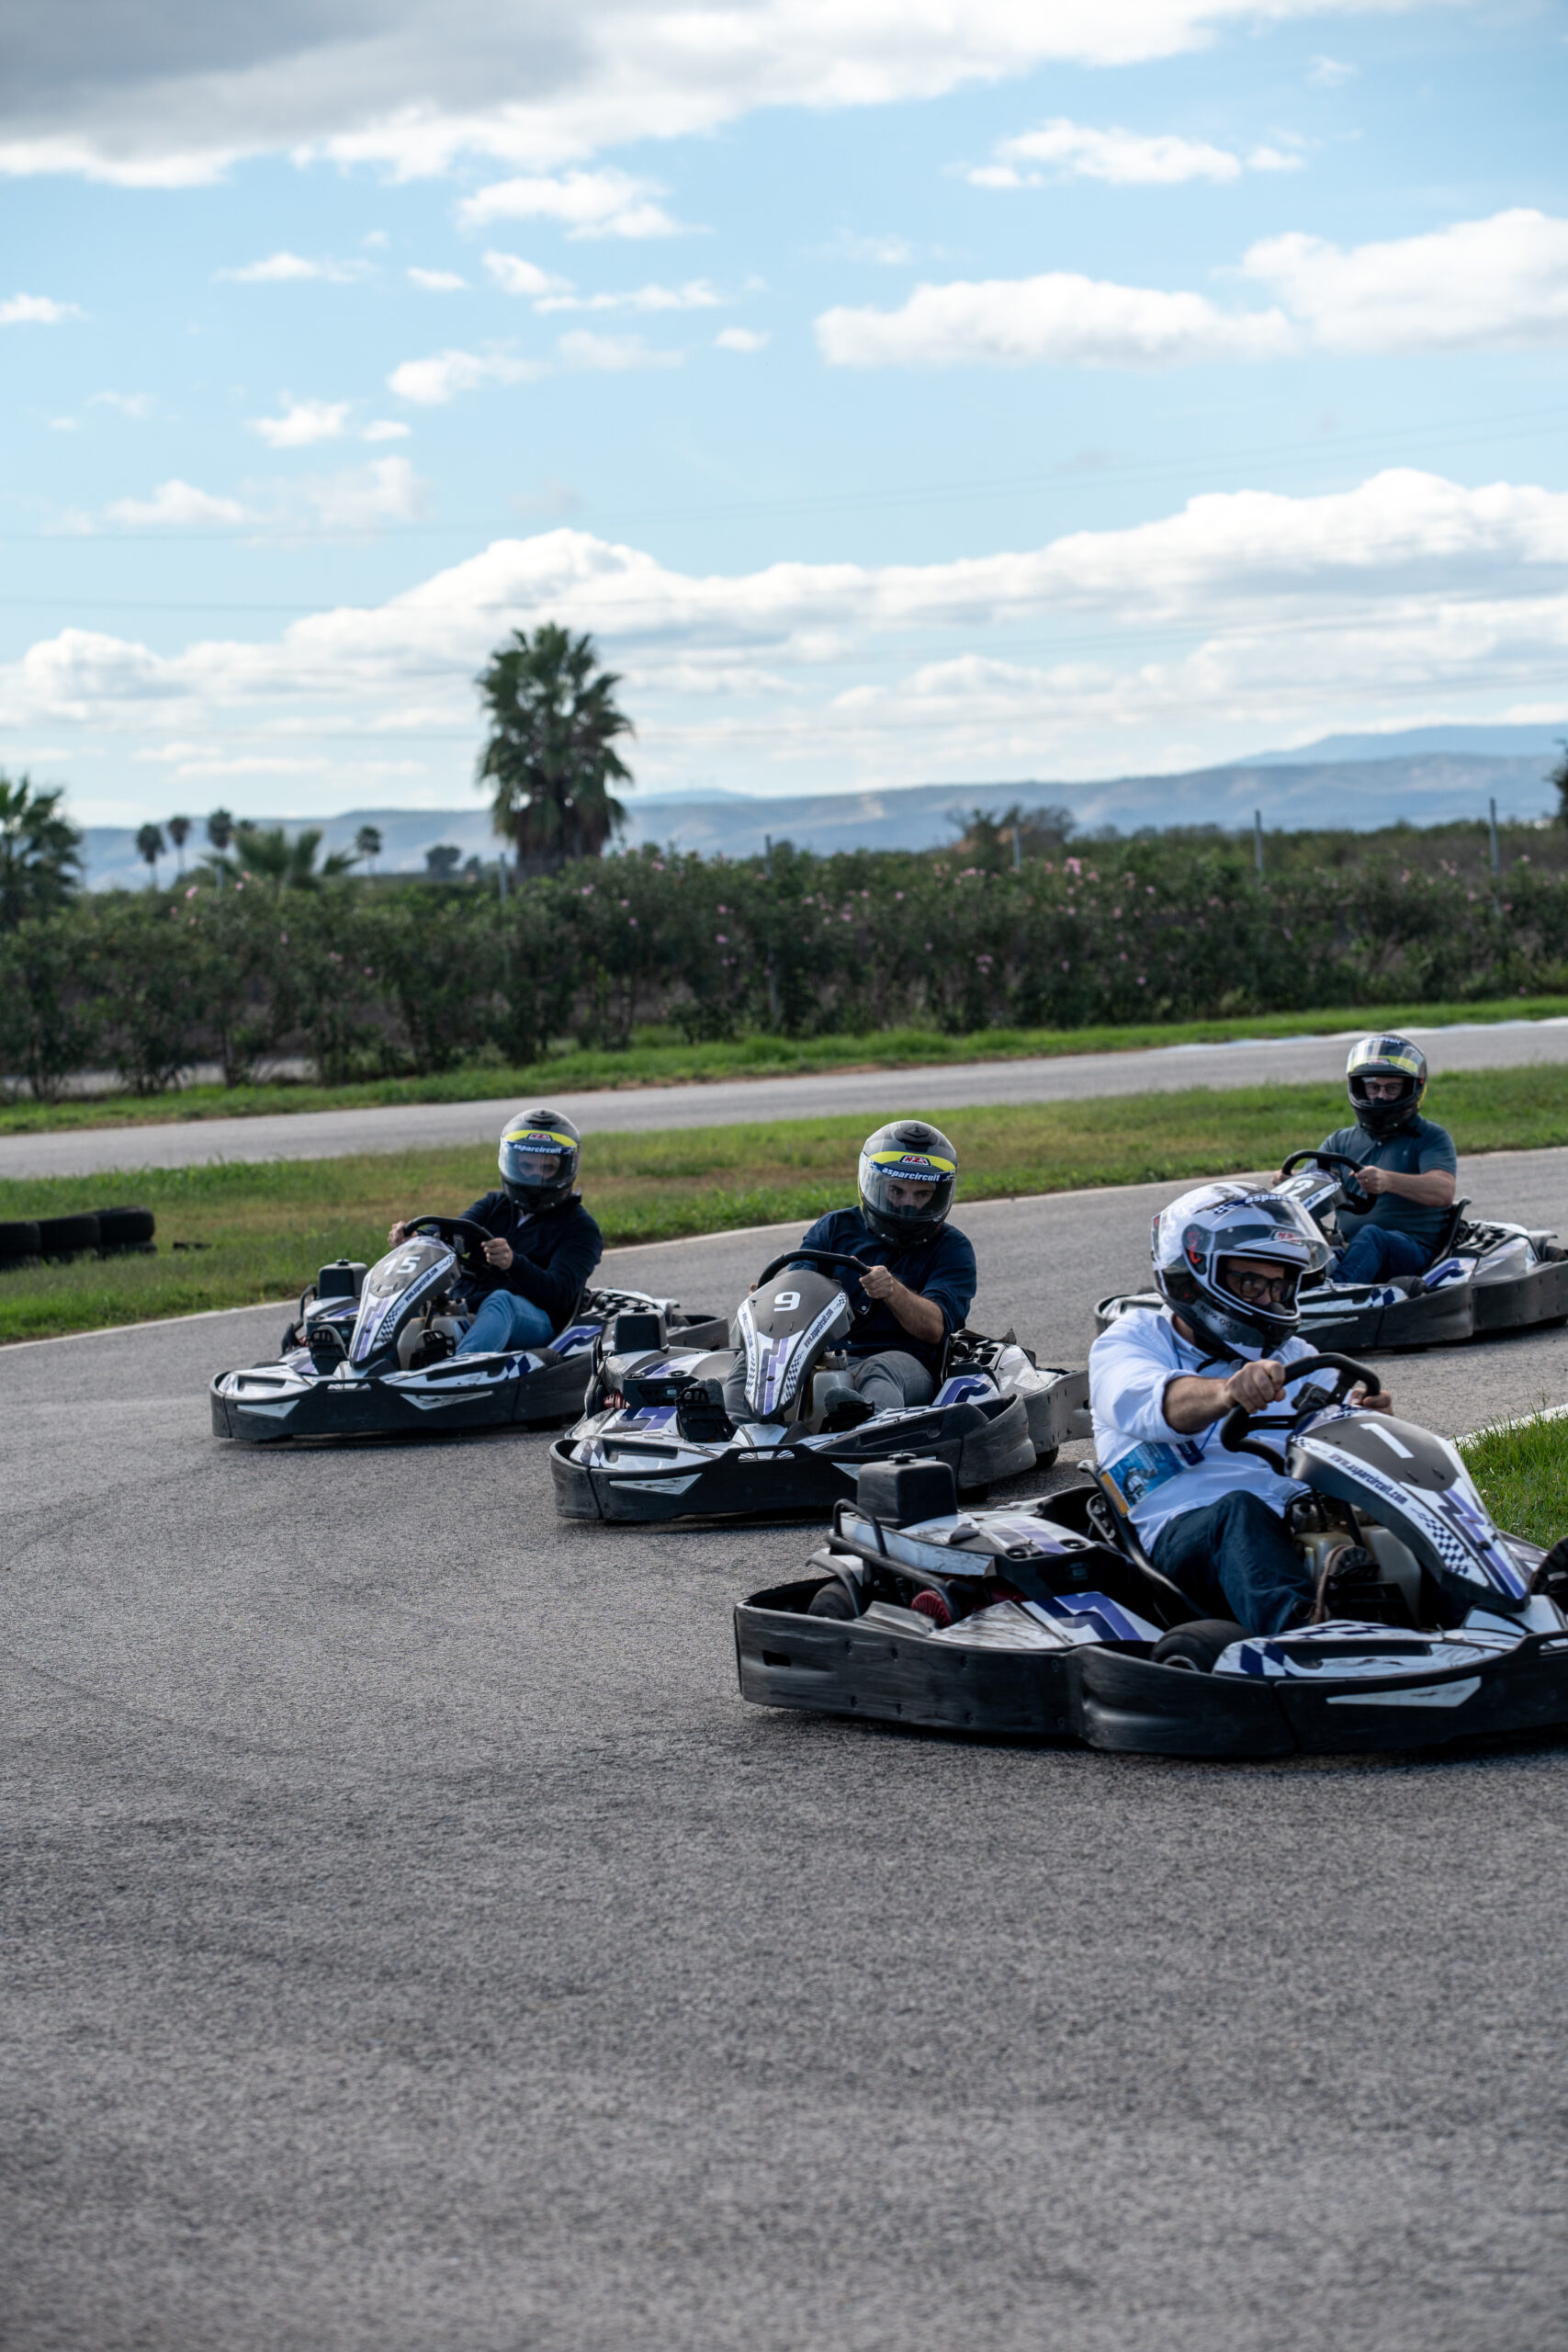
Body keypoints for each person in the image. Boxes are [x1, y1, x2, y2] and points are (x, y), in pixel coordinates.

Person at [1090, 1181, 1392, 1635]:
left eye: (1279, 1284)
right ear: (1194, 1274)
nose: (1269, 1300)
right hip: (1180, 1541)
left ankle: (1497, 1602)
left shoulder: (1297, 1356)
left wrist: (1365, 1422)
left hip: (1295, 1520)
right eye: (1251, 1282)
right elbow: (1158, 1404)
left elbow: (1337, 1436)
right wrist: (1227, 1392)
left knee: (1390, 1507)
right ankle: (1306, 1634)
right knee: (1240, 1511)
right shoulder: (1132, 1341)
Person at [724, 1119, 976, 1420]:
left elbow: (935, 1329)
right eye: (897, 1191)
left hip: (905, 1363)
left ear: (938, 1195)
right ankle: (728, 1434)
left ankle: (866, 1434)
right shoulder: (834, 1228)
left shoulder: (951, 1247)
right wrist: (770, 1299)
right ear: (876, 1184)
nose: (908, 1205)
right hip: (824, 1355)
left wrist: (893, 1291)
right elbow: (797, 1283)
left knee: (880, 1369)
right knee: (753, 1358)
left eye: (921, 1195)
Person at [388, 1108, 602, 1356]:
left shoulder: (580, 1228)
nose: (534, 1175)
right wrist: (415, 1239)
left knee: (501, 1301)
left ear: (565, 1168)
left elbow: (560, 1294)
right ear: (511, 1162)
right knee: (412, 1297)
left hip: (535, 1321)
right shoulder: (495, 1205)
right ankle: (374, 1370)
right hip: (472, 1306)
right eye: (526, 1165)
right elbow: (455, 1233)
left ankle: (461, 1372)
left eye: (546, 1168)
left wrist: (513, 1263)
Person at [1282, 1035, 1456, 1287]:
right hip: (1351, 1248)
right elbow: (1309, 1206)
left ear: (1413, 1088)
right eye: (1373, 1087)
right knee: (1295, 1237)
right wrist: (1291, 1186)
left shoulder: (1430, 1138)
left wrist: (1388, 1181)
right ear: (1358, 1087)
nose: (1380, 1097)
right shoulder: (1339, 1142)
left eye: (1391, 1088)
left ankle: (1335, 1297)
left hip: (1414, 1252)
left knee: (1373, 1237)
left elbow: (1443, 1190)